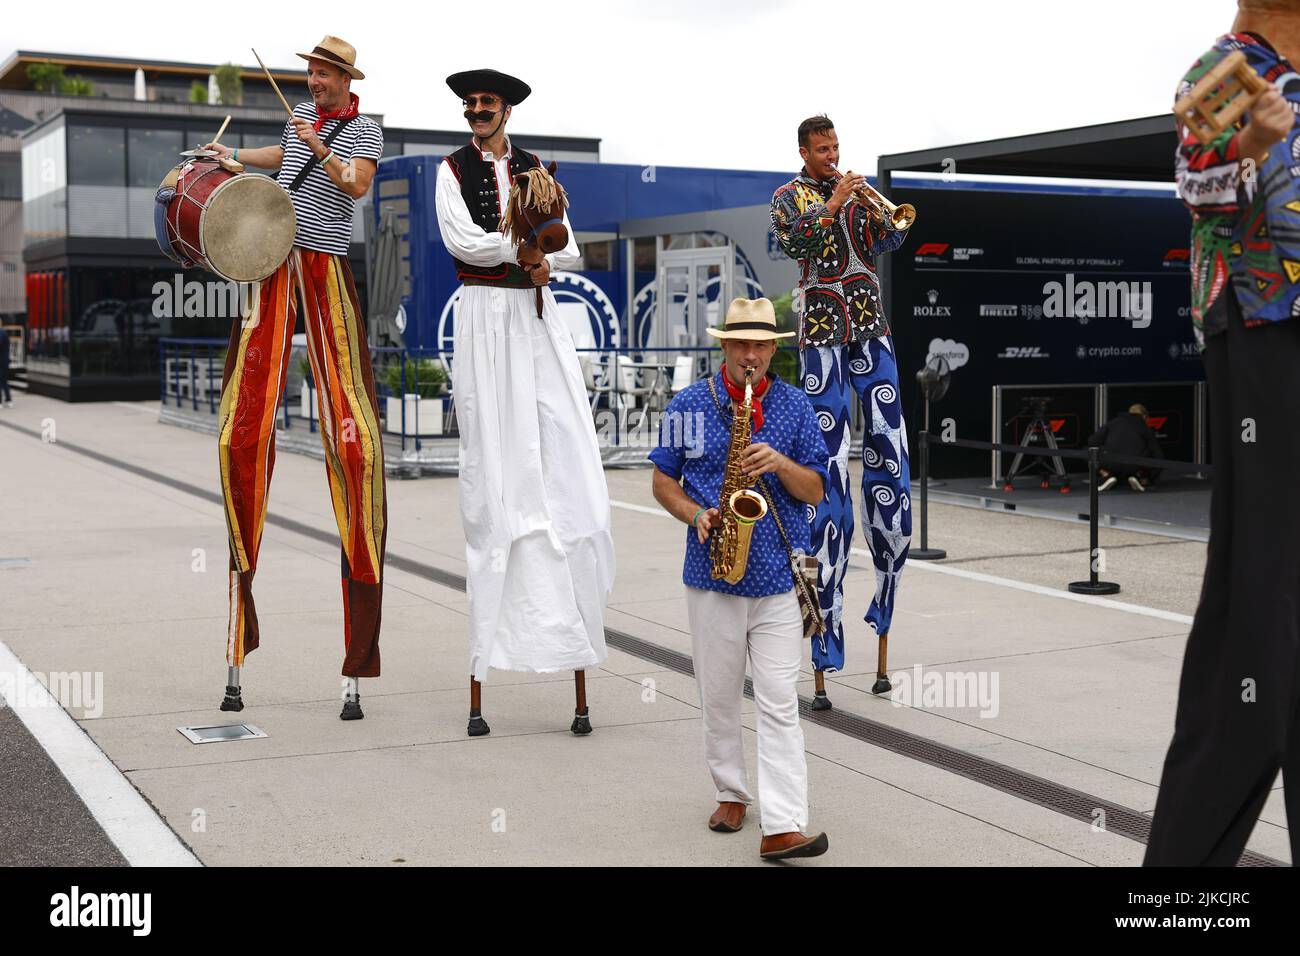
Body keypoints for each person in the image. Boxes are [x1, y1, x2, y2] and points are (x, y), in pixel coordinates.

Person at [1146, 0, 1300, 866]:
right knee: (1259, 604)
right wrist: (1247, 147)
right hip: (1262, 327)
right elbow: (1193, 182)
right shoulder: (1226, 70)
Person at [202, 35, 387, 720]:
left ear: (344, 78)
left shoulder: (363, 126)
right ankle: (237, 633)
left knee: (355, 443)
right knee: (240, 432)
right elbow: (282, 157)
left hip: (324, 263)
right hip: (272, 256)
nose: (312, 80)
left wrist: (321, 148)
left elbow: (355, 186)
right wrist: (232, 158)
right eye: (308, 72)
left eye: (322, 73)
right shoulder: (298, 118)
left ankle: (357, 659)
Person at [434, 68, 614, 737]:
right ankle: (493, 651)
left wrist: (547, 263)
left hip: (537, 319)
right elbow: (462, 239)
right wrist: (523, 248)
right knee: (496, 484)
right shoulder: (450, 170)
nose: (477, 111)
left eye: (487, 103)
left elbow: (567, 244)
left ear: (505, 109)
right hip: (485, 320)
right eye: (470, 103)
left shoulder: (540, 168)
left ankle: (572, 636)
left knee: (569, 476)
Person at [650, 297, 831, 861]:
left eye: (760, 345)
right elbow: (662, 480)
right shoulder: (688, 404)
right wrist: (695, 513)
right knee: (720, 698)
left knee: (780, 702)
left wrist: (780, 464)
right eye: (740, 344)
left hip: (778, 576)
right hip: (712, 576)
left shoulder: (797, 408)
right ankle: (731, 791)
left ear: (774, 349)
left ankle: (783, 825)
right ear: (723, 346)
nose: (750, 355)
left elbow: (816, 490)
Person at [769, 115, 912, 707]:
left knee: (889, 455)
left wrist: (883, 215)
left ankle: (886, 591)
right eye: (823, 149)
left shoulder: (856, 190)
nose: (833, 155)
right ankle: (825, 628)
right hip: (821, 334)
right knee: (825, 470)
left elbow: (890, 242)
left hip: (872, 331)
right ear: (803, 151)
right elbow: (798, 242)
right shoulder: (788, 198)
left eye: (836, 147)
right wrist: (835, 200)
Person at [1088, 404, 1164, 492]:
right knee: (1150, 452)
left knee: (1087, 450)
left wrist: (1107, 447)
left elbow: (1092, 441)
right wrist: (1150, 479)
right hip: (1133, 466)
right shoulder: (1145, 428)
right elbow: (1159, 456)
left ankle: (1107, 475)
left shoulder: (1113, 422)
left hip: (1111, 463)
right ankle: (1139, 477)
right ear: (1144, 416)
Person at [0, 327, 12, 407]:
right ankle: (8, 400)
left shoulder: (2, 333)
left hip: (2, 362)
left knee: (2, 381)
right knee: (4, 381)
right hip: (4, 362)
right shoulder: (3, 333)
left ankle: (4, 400)